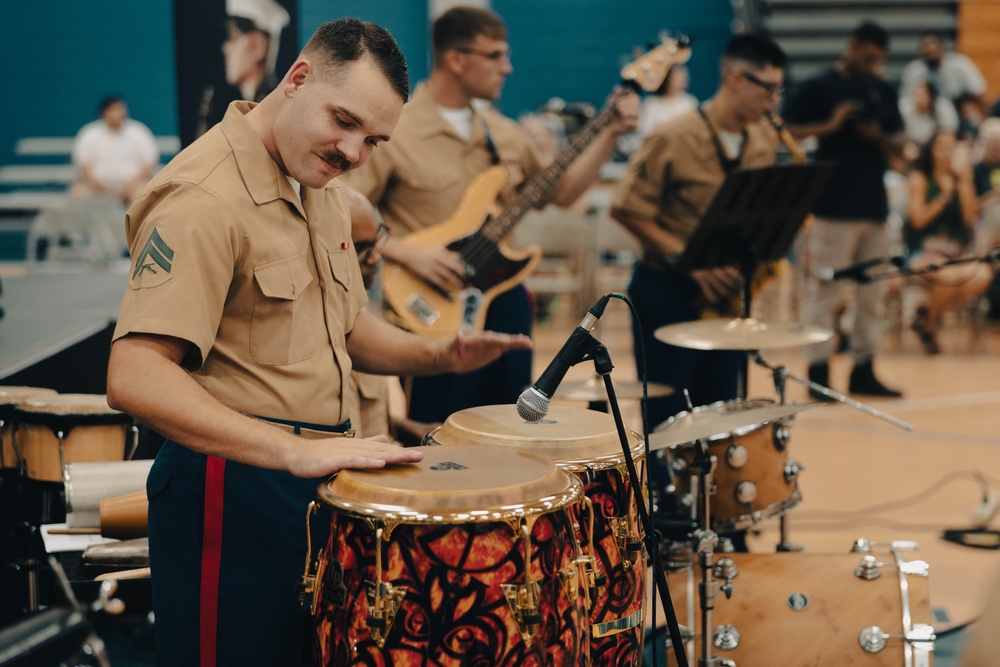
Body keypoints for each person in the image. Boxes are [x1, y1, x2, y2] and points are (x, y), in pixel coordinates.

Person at [105, 19, 530, 667]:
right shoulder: (201, 197)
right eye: (344, 121)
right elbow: (135, 375)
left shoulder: (318, 182)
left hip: (315, 476)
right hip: (232, 486)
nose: (355, 152)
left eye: (374, 140)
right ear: (297, 78)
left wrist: (438, 353)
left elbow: (346, 329)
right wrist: (292, 450)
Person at [344, 6, 638, 424]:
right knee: (438, 429)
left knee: (510, 422)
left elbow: (563, 191)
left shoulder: (503, 133)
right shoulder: (398, 128)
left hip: (504, 299)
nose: (509, 68)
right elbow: (345, 206)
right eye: (496, 55)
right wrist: (407, 253)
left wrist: (610, 134)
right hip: (431, 306)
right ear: (457, 59)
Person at [610, 33, 786, 428]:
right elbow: (625, 208)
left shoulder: (763, 137)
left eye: (779, 89)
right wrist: (686, 261)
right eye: (768, 88)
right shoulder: (673, 136)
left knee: (721, 419)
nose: (774, 100)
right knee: (667, 421)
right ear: (737, 79)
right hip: (668, 289)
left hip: (725, 296)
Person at [783, 21, 905, 400]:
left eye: (878, 60)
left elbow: (900, 146)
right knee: (827, 293)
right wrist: (830, 124)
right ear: (852, 46)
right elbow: (785, 129)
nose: (871, 65)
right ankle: (818, 373)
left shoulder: (880, 89)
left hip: (874, 208)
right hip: (833, 207)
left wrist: (876, 137)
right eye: (867, 57)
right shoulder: (821, 86)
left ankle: (863, 370)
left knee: (873, 296)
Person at [344, 185, 439, 443]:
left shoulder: (363, 315)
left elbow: (368, 421)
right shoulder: (328, 335)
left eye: (378, 241)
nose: (376, 258)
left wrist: (421, 431)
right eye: (362, 247)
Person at [905, 130, 992, 354]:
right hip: (922, 250)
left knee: (982, 274)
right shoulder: (920, 178)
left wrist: (965, 182)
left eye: (951, 147)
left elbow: (969, 219)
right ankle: (931, 326)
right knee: (947, 275)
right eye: (942, 147)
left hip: (955, 251)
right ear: (931, 151)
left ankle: (926, 315)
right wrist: (943, 196)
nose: (947, 152)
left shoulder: (962, 179)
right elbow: (918, 221)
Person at [196, 0, 290, 137]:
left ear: (259, 46)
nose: (226, 48)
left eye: (233, 36)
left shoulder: (276, 114)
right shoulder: (252, 110)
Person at [69, 95, 159, 206]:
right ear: (103, 113)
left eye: (120, 109)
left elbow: (148, 164)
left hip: (133, 185)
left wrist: (131, 186)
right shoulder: (89, 133)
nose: (118, 113)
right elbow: (83, 166)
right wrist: (99, 187)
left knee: (144, 192)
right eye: (113, 110)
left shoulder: (139, 132)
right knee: (78, 193)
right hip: (95, 187)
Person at [900, 32, 987, 105]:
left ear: (942, 47)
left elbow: (979, 91)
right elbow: (904, 100)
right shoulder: (914, 70)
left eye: (934, 50)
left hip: (958, 114)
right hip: (926, 115)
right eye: (927, 52)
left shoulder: (960, 64)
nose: (931, 53)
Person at [637, 63, 698, 138]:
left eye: (684, 78)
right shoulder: (651, 102)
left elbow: (694, 129)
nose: (681, 81)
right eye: (677, 78)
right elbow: (645, 130)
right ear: (667, 78)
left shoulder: (689, 101)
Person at [899, 79, 958, 152]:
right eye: (915, 95)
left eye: (921, 95)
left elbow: (950, 133)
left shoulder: (944, 108)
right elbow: (900, 133)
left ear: (931, 96)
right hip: (914, 146)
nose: (917, 99)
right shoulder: (904, 108)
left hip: (937, 145)